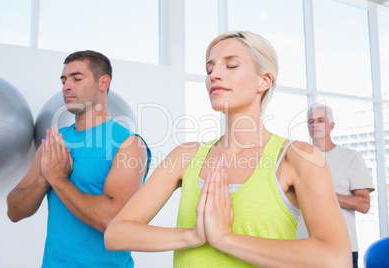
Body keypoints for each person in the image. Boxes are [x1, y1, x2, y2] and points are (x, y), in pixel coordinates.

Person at [104, 31, 352, 267]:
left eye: (230, 65)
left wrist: (224, 238)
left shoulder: (297, 158)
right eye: (209, 68)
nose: (214, 75)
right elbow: (116, 234)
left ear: (264, 80)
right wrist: (193, 235)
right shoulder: (185, 156)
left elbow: (334, 259)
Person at [7, 50, 151, 267]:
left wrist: (58, 180)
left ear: (103, 83)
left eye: (77, 78)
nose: (66, 86)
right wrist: (43, 179)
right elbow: (14, 210)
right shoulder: (56, 140)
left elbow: (111, 221)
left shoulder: (129, 144)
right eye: (64, 80)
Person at [306, 103, 375, 268]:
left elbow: (364, 204)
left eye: (320, 120)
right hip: (305, 247)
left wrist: (326, 195)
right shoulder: (299, 159)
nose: (315, 125)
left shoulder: (351, 158)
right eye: (310, 121)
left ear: (331, 126)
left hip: (342, 248)